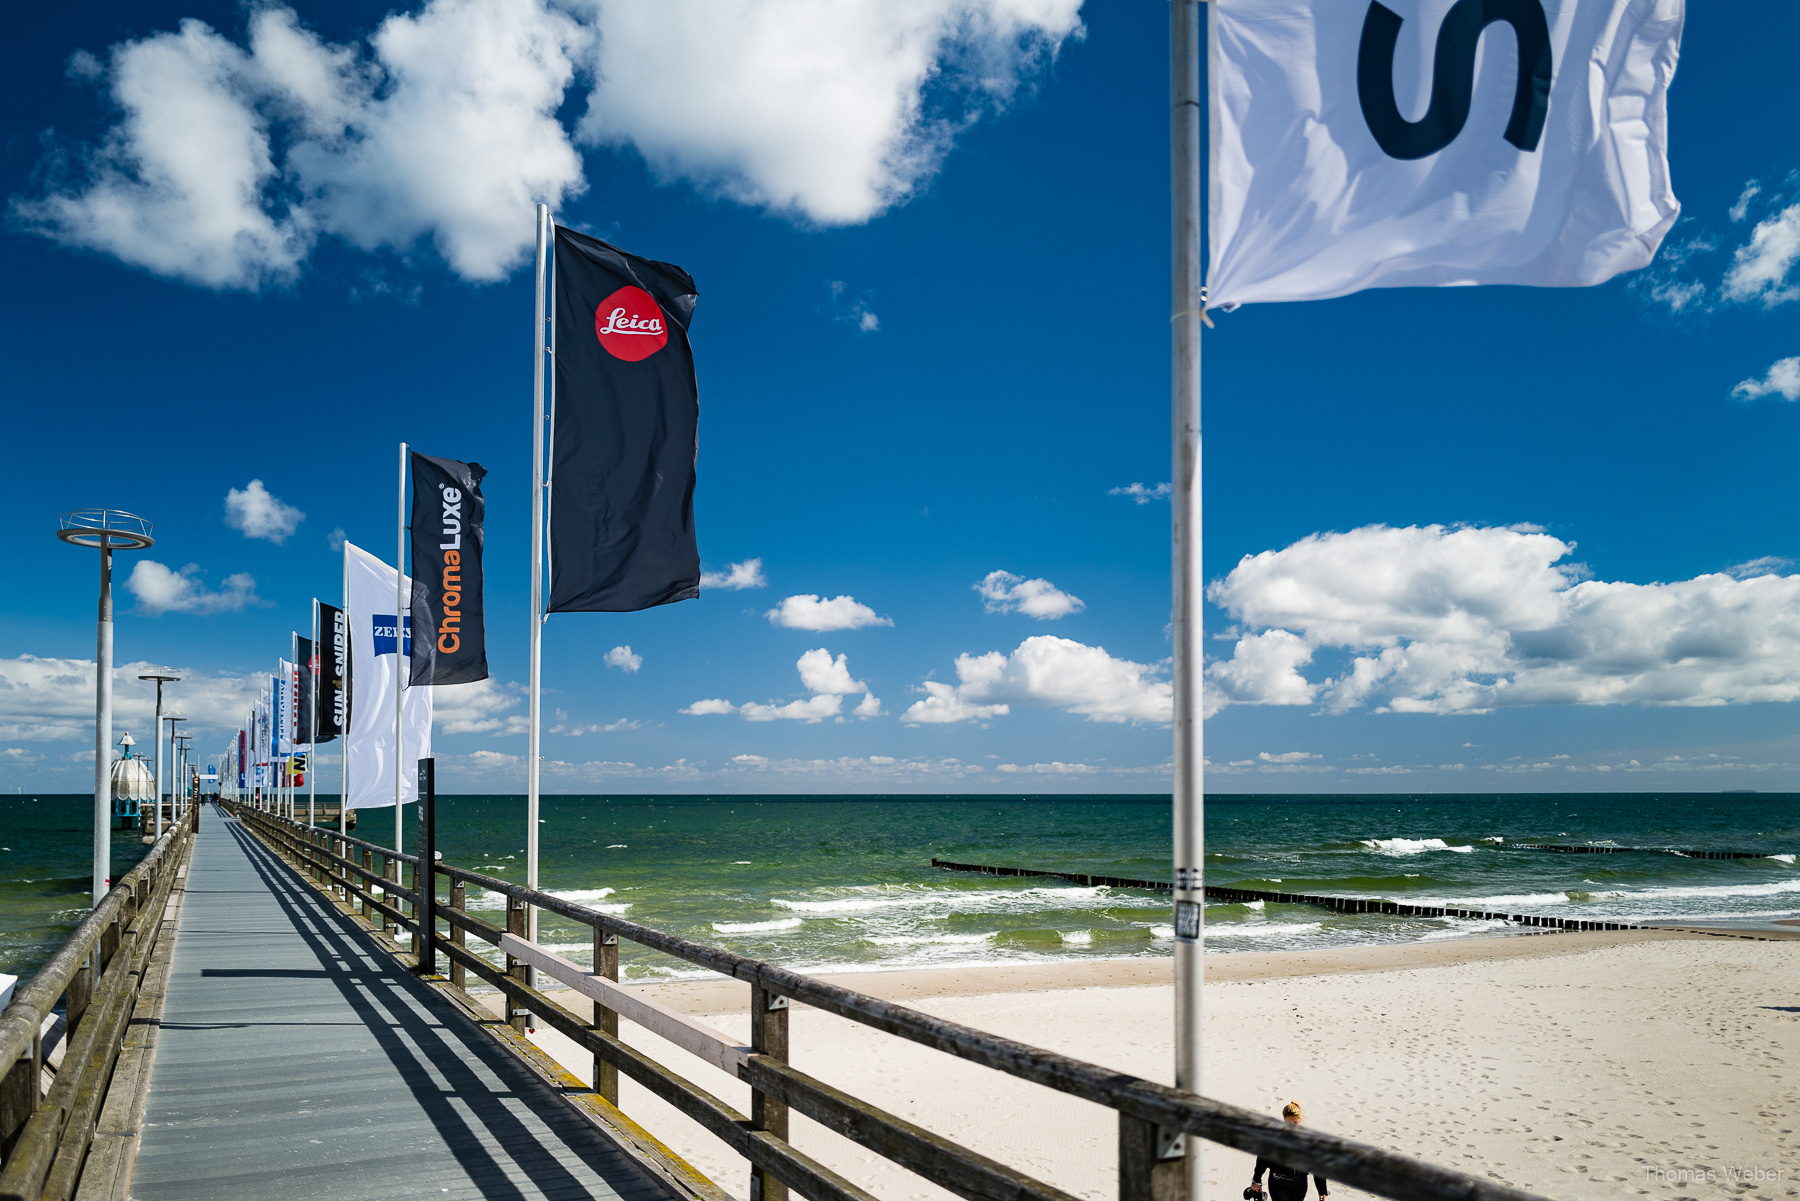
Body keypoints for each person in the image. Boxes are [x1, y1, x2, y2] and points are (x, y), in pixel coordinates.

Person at [1249, 1101, 1328, 1201]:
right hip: (1278, 1183)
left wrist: (1322, 1189)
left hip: (1299, 1185)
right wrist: (1256, 1180)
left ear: (1300, 1120)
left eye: (1295, 1123)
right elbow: (1262, 1159)